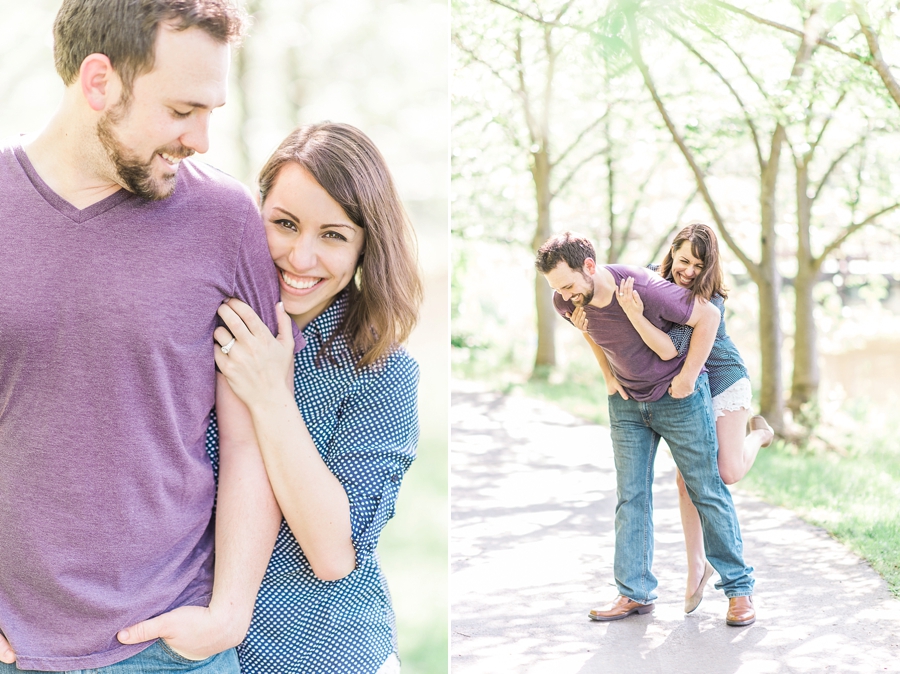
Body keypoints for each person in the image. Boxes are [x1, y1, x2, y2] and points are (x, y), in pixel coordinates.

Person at [0, 1, 299, 671]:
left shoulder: (225, 220)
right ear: (99, 81)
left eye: (211, 113)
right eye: (181, 111)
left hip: (171, 647)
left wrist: (228, 615)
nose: (201, 139)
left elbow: (252, 434)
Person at [201, 123, 421, 673]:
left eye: (333, 235)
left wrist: (271, 399)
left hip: (325, 654)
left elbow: (332, 553)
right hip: (191, 654)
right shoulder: (204, 327)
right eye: (285, 225)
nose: (301, 257)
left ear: (367, 245)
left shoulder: (383, 371)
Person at [535, 232, 756, 627]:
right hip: (626, 404)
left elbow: (709, 316)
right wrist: (607, 377)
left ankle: (739, 591)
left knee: (706, 487)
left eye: (568, 285)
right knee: (631, 495)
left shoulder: (642, 286)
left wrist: (688, 378)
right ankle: (633, 593)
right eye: (558, 288)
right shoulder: (564, 300)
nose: (564, 296)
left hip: (677, 399)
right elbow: (593, 332)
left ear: (590, 267)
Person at [612, 223, 774, 613]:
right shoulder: (651, 277)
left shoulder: (710, 300)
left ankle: (761, 435)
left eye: (698, 266)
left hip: (720, 379)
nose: (688, 271)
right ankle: (696, 565)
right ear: (672, 252)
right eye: (684, 260)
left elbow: (672, 349)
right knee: (687, 479)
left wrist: (636, 316)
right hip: (687, 386)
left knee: (726, 473)